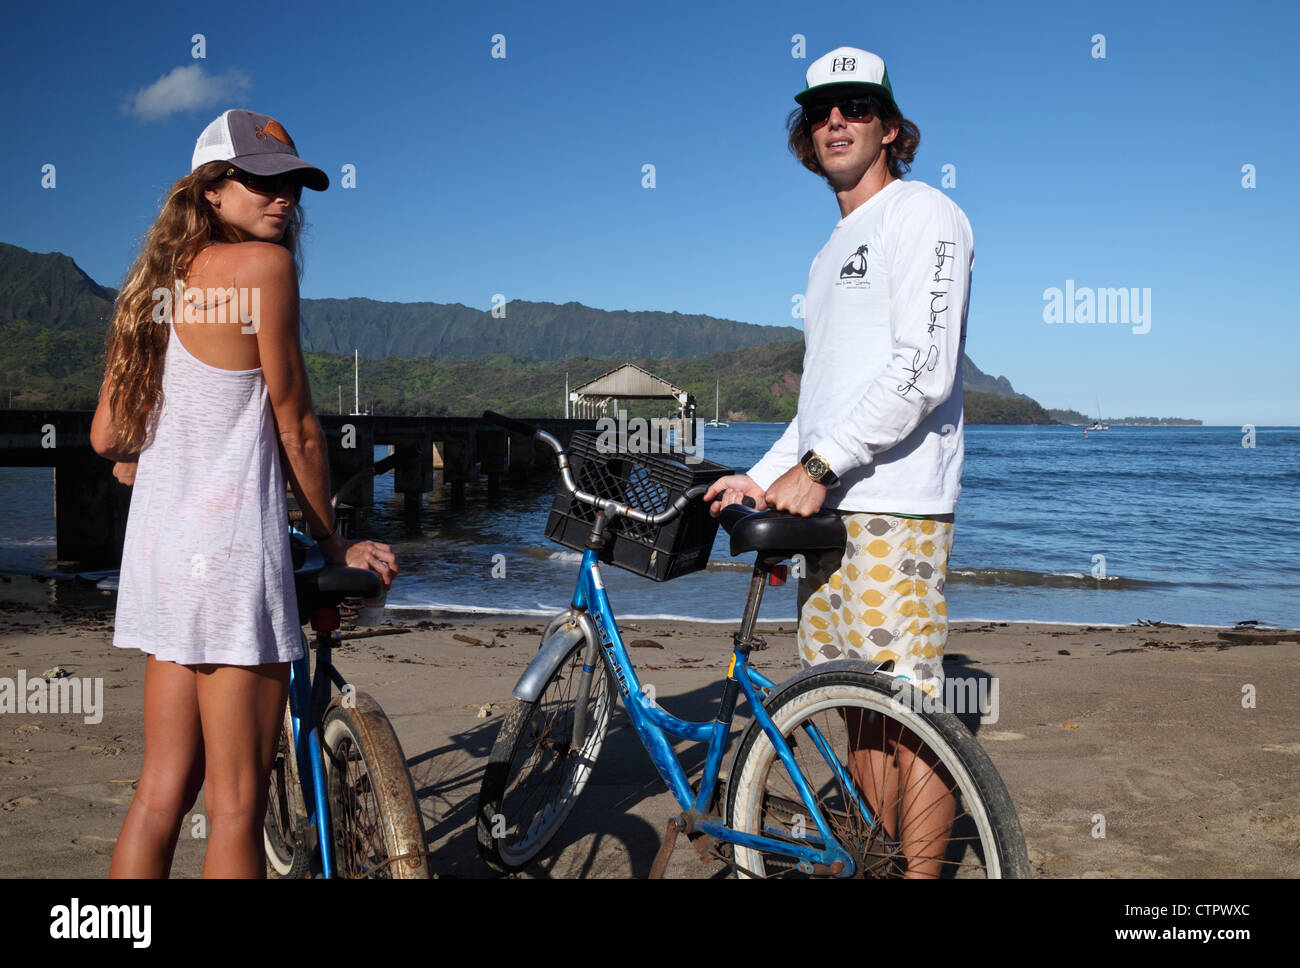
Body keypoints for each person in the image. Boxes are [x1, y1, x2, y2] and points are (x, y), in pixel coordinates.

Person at [91, 109, 399, 877]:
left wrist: (153, 459)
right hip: (227, 566)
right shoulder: (264, 271)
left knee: (162, 791)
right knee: (236, 806)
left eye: (293, 183)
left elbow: (105, 438)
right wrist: (335, 541)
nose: (284, 197)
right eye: (262, 180)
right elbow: (296, 423)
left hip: (162, 561)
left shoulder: (155, 286)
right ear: (209, 189)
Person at [703, 47, 973, 877]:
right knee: (857, 714)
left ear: (890, 128)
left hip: (894, 503)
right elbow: (817, 404)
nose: (835, 121)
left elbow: (921, 368)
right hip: (827, 510)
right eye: (821, 110)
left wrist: (818, 469)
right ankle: (873, 860)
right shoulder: (828, 254)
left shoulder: (923, 213)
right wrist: (767, 469)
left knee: (911, 716)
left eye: (856, 107)